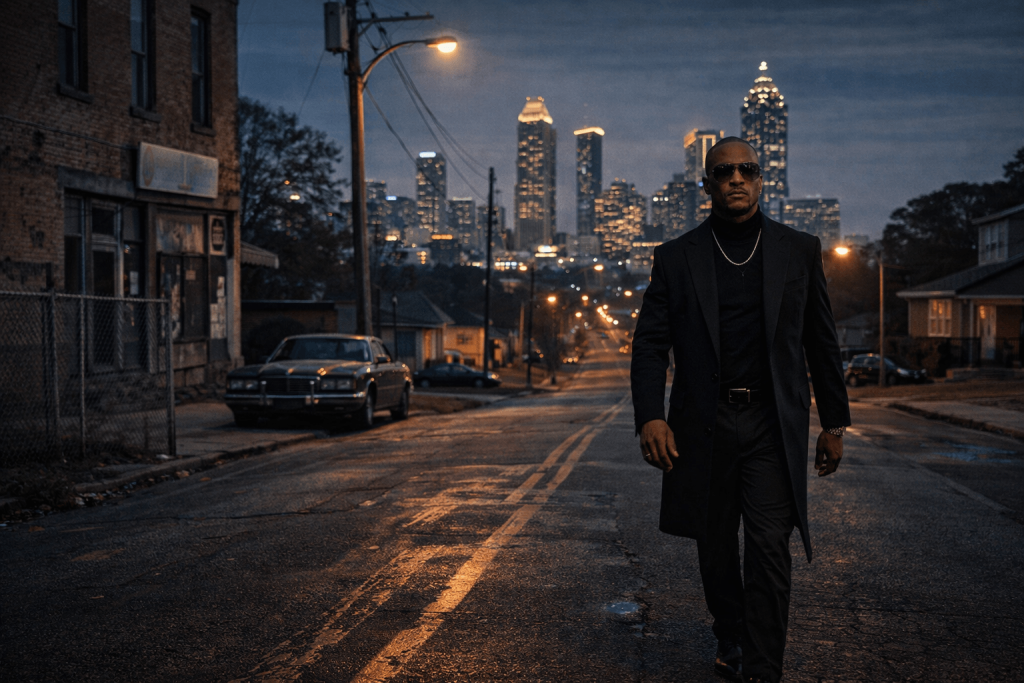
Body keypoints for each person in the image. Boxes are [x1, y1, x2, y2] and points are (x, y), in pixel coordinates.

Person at [630, 137, 850, 683]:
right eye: (723, 171)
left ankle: (763, 668)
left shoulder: (798, 250)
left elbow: (820, 340)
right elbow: (650, 344)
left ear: (760, 179)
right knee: (715, 545)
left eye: (746, 170)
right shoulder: (676, 258)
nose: (735, 178)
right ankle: (729, 630)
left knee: (771, 544)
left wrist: (834, 421)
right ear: (706, 184)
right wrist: (649, 416)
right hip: (703, 424)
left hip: (772, 424)